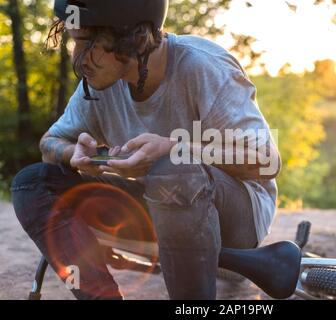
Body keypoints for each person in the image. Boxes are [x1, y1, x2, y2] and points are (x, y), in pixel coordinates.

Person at [11, 0, 281, 300]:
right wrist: (72, 153)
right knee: (31, 182)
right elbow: (49, 142)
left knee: (173, 170)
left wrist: (174, 148)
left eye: (86, 43)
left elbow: (267, 160)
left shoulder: (203, 66)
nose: (78, 59)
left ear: (132, 39)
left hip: (235, 220)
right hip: (159, 211)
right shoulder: (101, 81)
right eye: (74, 42)